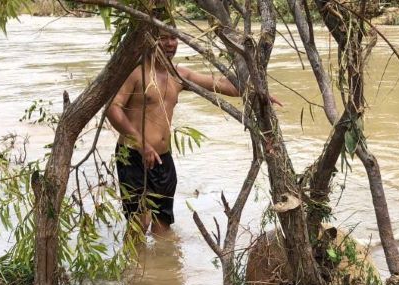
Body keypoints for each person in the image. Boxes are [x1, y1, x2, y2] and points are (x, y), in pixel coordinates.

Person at [106, 32, 279, 235]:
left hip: (163, 160)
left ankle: (162, 266)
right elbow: (112, 108)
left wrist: (259, 91)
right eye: (163, 38)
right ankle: (133, 267)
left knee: (163, 224)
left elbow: (224, 85)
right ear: (149, 39)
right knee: (139, 224)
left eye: (173, 38)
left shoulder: (179, 75)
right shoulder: (136, 73)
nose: (170, 43)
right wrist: (141, 142)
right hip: (134, 155)